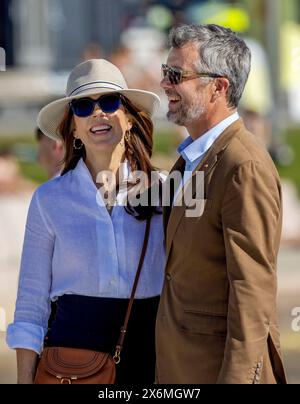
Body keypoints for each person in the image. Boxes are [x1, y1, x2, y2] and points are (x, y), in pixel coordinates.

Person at [7, 59, 165, 384]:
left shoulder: (165, 191)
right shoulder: (49, 199)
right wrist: (25, 379)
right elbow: (31, 301)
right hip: (69, 361)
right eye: (82, 106)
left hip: (152, 354)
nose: (97, 113)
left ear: (130, 118)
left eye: (108, 101)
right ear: (73, 128)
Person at [156, 24, 287, 384]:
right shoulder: (190, 160)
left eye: (175, 74)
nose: (165, 84)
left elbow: (252, 289)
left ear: (218, 86)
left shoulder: (243, 165)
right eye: (165, 73)